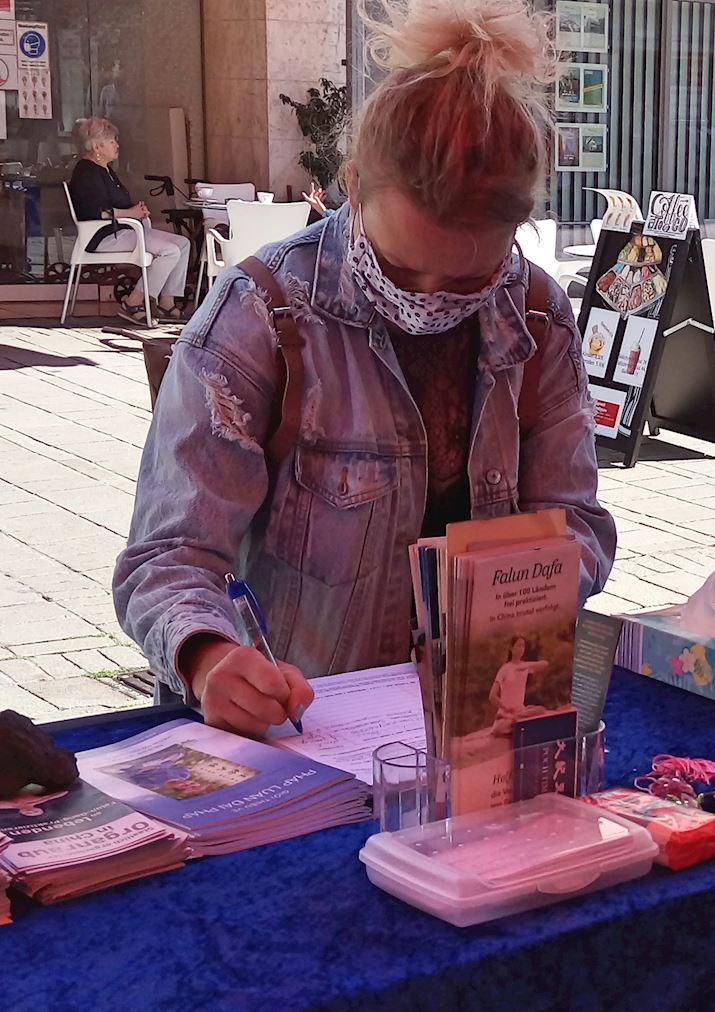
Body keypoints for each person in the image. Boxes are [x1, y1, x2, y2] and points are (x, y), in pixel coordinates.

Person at [113, 0, 617, 739]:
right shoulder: (263, 315)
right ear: (352, 185)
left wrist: (527, 589)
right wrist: (209, 657)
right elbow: (170, 554)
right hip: (301, 731)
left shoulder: (536, 315)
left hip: (481, 724)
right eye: (403, 269)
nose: (431, 299)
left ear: (518, 229)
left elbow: (578, 522)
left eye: (469, 279)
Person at [68, 117, 191, 326]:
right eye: (112, 141)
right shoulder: (86, 172)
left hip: (122, 230)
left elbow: (119, 204)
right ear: (97, 147)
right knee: (170, 252)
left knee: (183, 244)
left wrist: (137, 211)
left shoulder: (106, 170)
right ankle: (134, 301)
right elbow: (96, 211)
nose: (117, 145)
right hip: (103, 236)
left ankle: (166, 302)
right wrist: (130, 213)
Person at [488, 636, 550, 735]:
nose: (521, 649)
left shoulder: (524, 666)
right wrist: (506, 708)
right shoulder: (505, 669)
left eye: (523, 646)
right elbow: (492, 696)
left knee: (540, 710)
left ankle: (516, 719)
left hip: (520, 711)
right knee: (500, 727)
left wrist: (524, 666)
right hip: (506, 713)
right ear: (511, 648)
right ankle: (512, 719)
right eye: (518, 646)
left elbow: (545, 664)